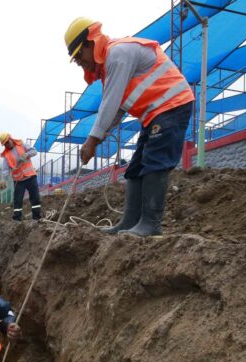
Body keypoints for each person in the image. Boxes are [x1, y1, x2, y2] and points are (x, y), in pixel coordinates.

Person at [65, 18, 194, 236]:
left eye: (79, 56)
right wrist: (100, 135)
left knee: (155, 161)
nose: (79, 63)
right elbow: (117, 108)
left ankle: (150, 224)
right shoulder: (110, 64)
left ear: (90, 43)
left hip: (171, 106)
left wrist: (92, 140)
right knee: (135, 168)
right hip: (154, 114)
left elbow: (110, 103)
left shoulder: (118, 54)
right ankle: (129, 223)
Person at [0, 133, 42, 221]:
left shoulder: (22, 145)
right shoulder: (6, 155)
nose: (7, 144)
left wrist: (26, 155)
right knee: (17, 200)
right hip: (18, 180)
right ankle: (17, 218)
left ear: (11, 138)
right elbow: (5, 170)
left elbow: (34, 151)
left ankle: (36, 216)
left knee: (35, 197)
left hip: (30, 176)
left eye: (7, 142)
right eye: (5, 144)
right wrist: (4, 180)